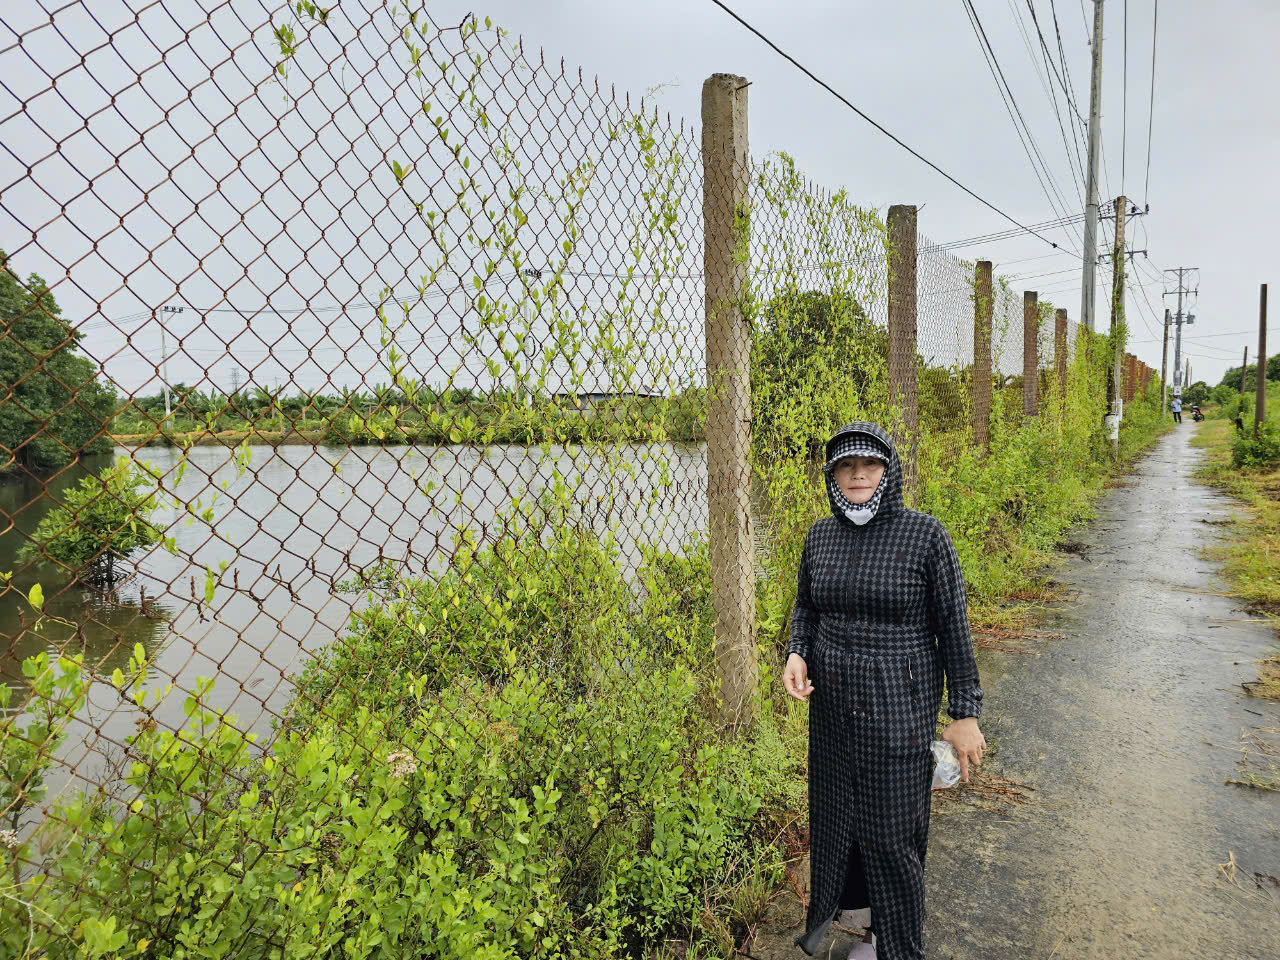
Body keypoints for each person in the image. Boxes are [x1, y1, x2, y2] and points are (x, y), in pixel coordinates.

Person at [783, 422, 985, 960]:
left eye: (868, 465)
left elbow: (953, 627)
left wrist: (963, 712)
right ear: (831, 476)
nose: (856, 475)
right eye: (844, 467)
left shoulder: (924, 535)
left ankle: (892, 945)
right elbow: (805, 607)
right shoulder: (820, 536)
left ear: (888, 472)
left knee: (893, 830)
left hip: (900, 704)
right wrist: (797, 651)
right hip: (831, 709)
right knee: (836, 816)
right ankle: (846, 916)